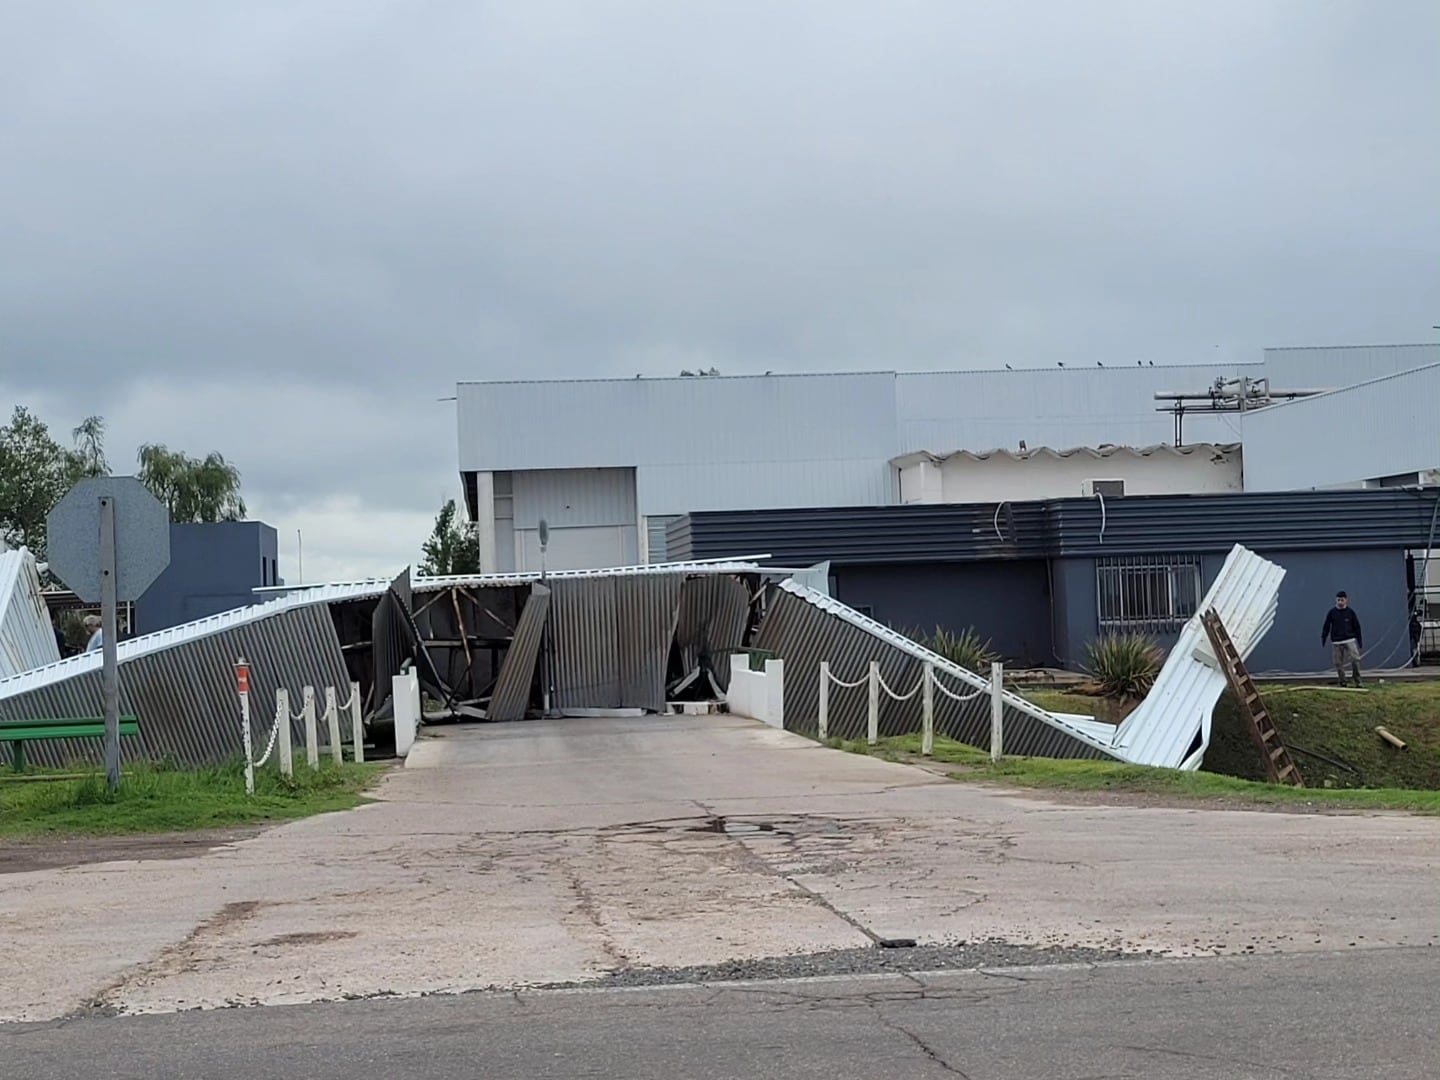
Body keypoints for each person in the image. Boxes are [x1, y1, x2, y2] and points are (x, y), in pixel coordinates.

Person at [1321, 590, 1363, 686]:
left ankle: (1357, 680)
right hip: (1337, 641)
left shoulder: (1350, 612)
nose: (1340, 602)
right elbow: (1326, 626)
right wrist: (1324, 637)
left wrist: (1359, 641)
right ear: (1336, 600)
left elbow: (1357, 626)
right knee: (1338, 663)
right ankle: (1343, 681)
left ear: (1346, 600)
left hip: (1350, 639)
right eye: (1338, 600)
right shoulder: (1332, 613)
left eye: (1342, 600)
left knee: (1355, 659)